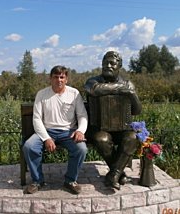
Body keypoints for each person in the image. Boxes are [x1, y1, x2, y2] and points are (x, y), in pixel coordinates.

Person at [23, 65, 88, 194]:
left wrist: (80, 131)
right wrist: (46, 138)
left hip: (68, 132)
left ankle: (70, 180)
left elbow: (82, 115)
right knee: (29, 146)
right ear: (50, 79)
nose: (59, 80)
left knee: (81, 149)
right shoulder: (42, 94)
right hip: (47, 131)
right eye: (56, 77)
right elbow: (36, 119)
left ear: (66, 79)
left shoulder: (74, 93)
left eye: (62, 77)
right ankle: (37, 181)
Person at [85, 51, 142, 190]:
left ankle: (114, 174)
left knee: (132, 137)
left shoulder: (128, 83)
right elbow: (94, 90)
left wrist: (132, 93)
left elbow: (137, 110)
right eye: (105, 63)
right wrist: (121, 89)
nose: (108, 66)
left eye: (112, 63)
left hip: (121, 127)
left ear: (119, 66)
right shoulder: (92, 81)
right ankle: (119, 173)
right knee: (102, 140)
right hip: (99, 128)